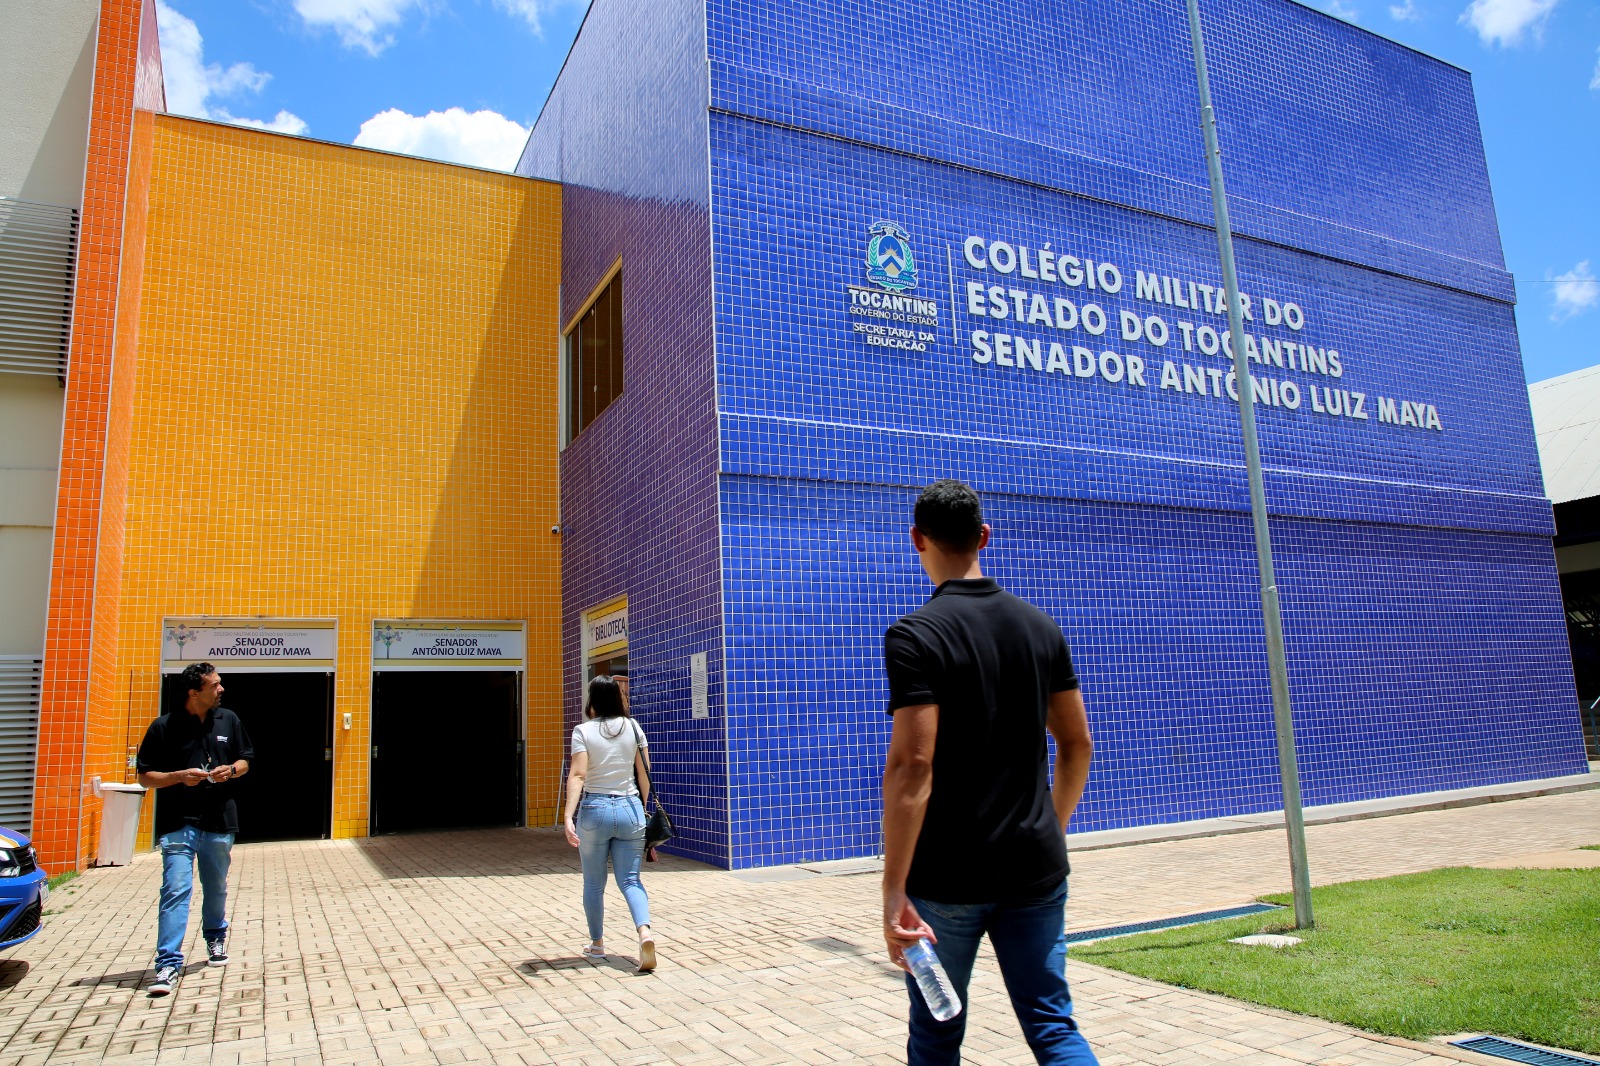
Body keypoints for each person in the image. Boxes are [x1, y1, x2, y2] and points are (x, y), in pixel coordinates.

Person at [880, 480, 1099, 1066]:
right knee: (1053, 1025)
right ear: (983, 537)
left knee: (937, 1032)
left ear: (916, 540)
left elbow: (912, 766)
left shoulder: (915, 636)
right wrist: (1049, 825)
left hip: (947, 876)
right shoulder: (1040, 627)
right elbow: (1076, 745)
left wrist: (893, 888)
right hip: (1035, 867)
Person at [135, 662, 254, 996]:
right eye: (215, 685)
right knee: (175, 890)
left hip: (219, 821)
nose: (221, 689)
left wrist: (231, 770)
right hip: (178, 824)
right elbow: (144, 776)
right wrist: (178, 776)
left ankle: (215, 939)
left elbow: (246, 759)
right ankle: (168, 965)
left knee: (215, 887)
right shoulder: (163, 727)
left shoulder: (228, 719)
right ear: (194, 691)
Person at [563, 674, 657, 971]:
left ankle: (597, 945)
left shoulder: (583, 731)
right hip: (630, 809)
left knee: (593, 882)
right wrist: (642, 809)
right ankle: (644, 933)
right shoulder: (633, 726)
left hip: (595, 809)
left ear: (593, 699)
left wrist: (568, 816)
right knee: (630, 879)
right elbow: (644, 773)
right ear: (617, 698)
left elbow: (578, 775)